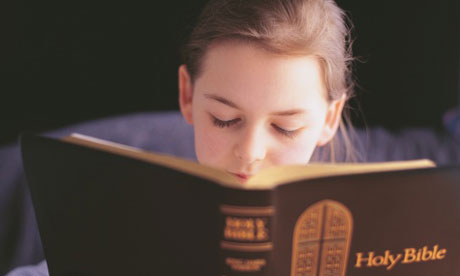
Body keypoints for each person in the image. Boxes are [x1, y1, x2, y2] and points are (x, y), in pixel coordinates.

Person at [6, 0, 357, 274]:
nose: (250, 152)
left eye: (285, 128)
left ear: (330, 118)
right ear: (187, 95)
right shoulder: (134, 225)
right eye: (225, 119)